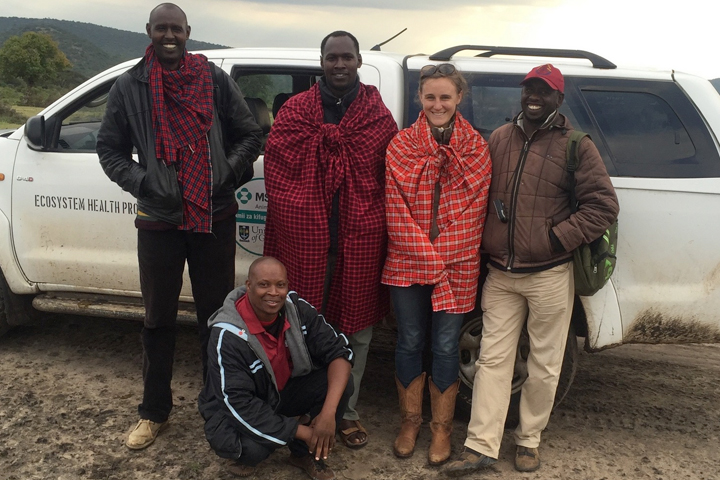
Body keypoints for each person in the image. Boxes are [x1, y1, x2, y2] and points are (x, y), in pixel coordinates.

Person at [96, 3, 262, 450]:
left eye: (176, 28)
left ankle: (218, 407)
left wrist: (228, 170)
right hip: (158, 220)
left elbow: (251, 134)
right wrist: (144, 182)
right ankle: (154, 412)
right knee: (157, 319)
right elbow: (109, 150)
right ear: (149, 31)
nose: (169, 35)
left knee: (216, 317)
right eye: (161, 28)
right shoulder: (130, 86)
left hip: (215, 215)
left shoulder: (213, 80)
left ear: (188, 32)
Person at [444, 64, 619, 476]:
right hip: (501, 274)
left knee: (544, 364)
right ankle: (480, 445)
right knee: (492, 359)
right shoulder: (501, 138)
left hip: (550, 272)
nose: (533, 97)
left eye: (543, 91)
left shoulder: (577, 145)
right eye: (528, 90)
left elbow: (603, 207)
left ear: (559, 99)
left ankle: (528, 440)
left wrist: (555, 239)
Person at [262, 30, 398, 449]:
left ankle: (346, 413)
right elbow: (277, 170)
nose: (339, 64)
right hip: (305, 238)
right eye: (331, 57)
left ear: (359, 61)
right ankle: (305, 409)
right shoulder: (296, 111)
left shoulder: (377, 115)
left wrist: (368, 217)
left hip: (359, 238)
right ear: (321, 62)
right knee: (300, 327)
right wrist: (306, 212)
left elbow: (389, 177)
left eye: (347, 57)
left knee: (355, 330)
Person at [382, 63, 492, 466]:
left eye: (445, 96)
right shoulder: (400, 146)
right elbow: (395, 211)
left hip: (457, 264)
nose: (438, 103)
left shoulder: (477, 148)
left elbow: (474, 213)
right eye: (430, 96)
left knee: (445, 346)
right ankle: (410, 422)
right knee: (410, 340)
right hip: (407, 261)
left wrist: (440, 259)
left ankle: (441, 430)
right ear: (420, 99)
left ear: (459, 97)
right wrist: (429, 258)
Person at [198, 257, 353, 480]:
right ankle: (294, 436)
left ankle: (302, 454)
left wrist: (328, 414)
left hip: (281, 394)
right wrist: (306, 432)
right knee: (252, 450)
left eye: (280, 285)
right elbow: (238, 403)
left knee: (342, 381)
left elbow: (340, 352)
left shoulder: (297, 309)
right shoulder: (227, 335)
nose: (273, 292)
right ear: (248, 286)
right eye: (264, 284)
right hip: (235, 406)